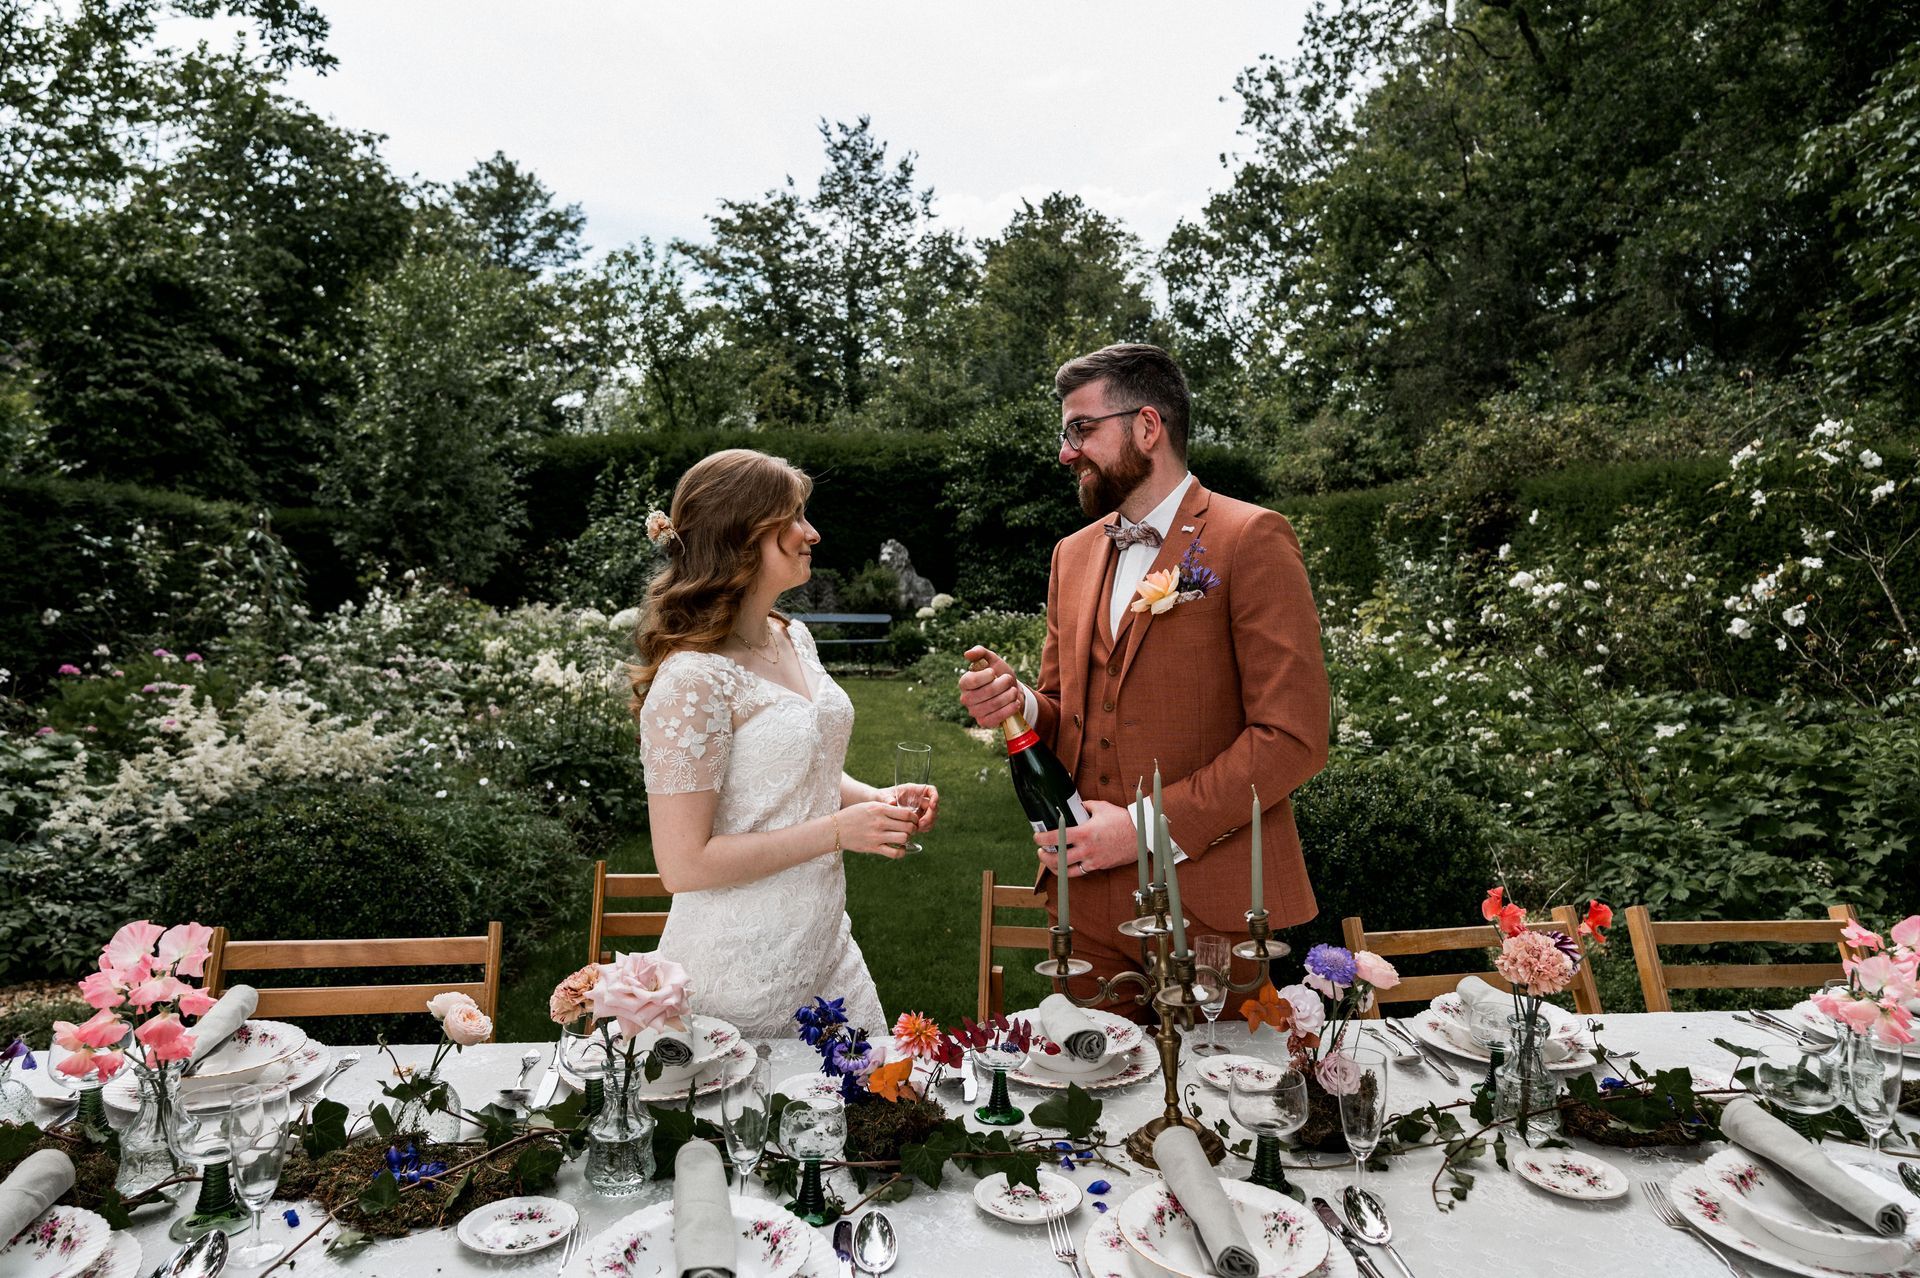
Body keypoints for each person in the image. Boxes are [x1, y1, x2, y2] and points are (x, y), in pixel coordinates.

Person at [959, 344, 1328, 1005]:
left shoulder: (1251, 538)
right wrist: (1021, 703)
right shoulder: (1070, 554)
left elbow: (1292, 737)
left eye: (1081, 429)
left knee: (1214, 1099)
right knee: (1091, 1093)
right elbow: (1062, 705)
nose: (1066, 452)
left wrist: (1141, 830)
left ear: (1148, 427)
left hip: (1211, 908)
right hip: (1085, 903)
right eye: (1065, 432)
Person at [629, 448, 936, 1037]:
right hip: (739, 974)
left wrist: (876, 797)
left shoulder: (791, 637)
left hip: (826, 950)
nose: (812, 533)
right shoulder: (692, 679)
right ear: (741, 535)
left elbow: (803, 770)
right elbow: (682, 864)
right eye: (794, 517)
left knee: (867, 1116)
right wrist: (839, 832)